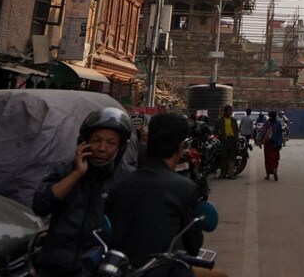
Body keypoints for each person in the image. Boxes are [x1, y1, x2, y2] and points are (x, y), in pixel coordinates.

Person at [106, 112, 225, 277]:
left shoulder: (120, 183)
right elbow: (193, 246)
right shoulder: (185, 189)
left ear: (148, 141)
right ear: (180, 146)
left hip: (119, 267)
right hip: (163, 270)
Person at [32, 107, 134, 276]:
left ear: (120, 147)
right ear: (84, 141)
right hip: (54, 265)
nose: (102, 148)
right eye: (96, 140)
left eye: (110, 143)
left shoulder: (127, 180)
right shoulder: (65, 170)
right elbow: (41, 206)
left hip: (96, 269)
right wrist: (76, 174)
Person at [258, 110, 284, 181]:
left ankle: (268, 175)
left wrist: (260, 141)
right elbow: (280, 134)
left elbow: (263, 132)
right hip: (276, 143)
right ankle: (275, 169)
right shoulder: (278, 123)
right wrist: (281, 143)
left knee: (268, 158)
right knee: (275, 158)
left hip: (268, 143)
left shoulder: (267, 122)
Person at [216, 105, 238, 179]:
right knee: (224, 157)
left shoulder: (233, 120)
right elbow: (215, 131)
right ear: (225, 111)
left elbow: (236, 131)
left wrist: (236, 139)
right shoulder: (219, 120)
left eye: (231, 111)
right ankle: (223, 174)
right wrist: (221, 136)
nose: (230, 112)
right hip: (224, 141)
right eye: (229, 111)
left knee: (232, 157)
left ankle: (231, 174)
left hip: (232, 140)